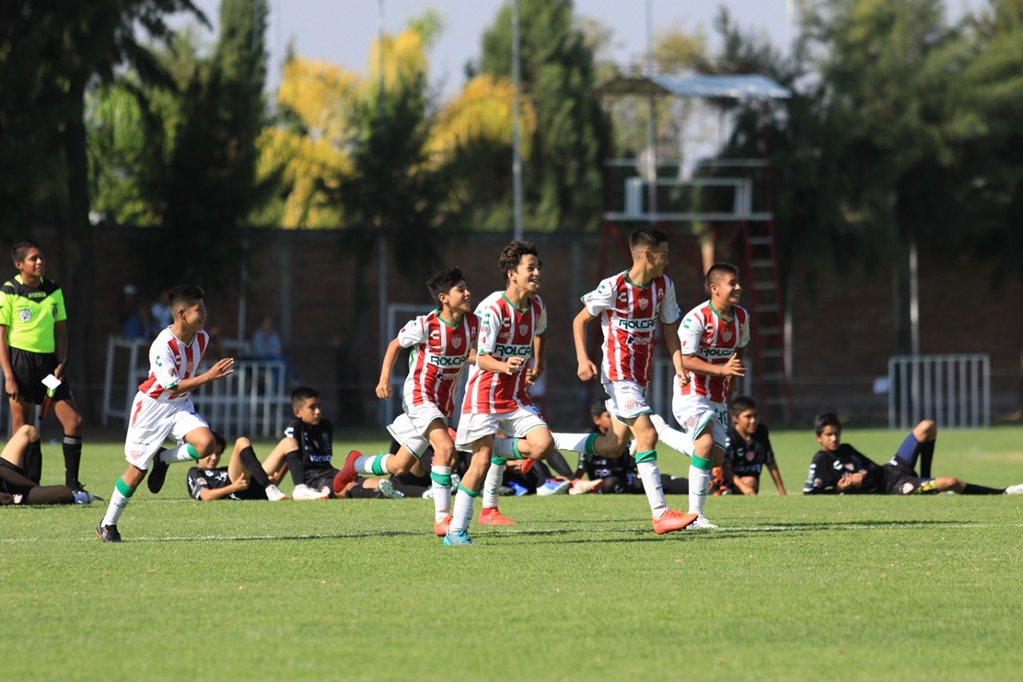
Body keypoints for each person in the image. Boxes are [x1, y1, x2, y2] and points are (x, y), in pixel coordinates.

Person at [549, 228, 695, 534]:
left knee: (613, 446)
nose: (667, 261)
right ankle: (660, 513)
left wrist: (680, 367)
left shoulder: (664, 286)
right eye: (664, 255)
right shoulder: (613, 286)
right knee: (647, 433)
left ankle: (548, 440)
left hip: (640, 377)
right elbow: (580, 320)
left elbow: (670, 331)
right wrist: (582, 359)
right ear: (647, 254)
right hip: (618, 374)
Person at [334, 267, 479, 536]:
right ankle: (442, 519)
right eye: (461, 289)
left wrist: (502, 366)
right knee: (445, 448)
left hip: (442, 403)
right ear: (444, 297)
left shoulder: (473, 324)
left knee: (399, 465)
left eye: (466, 287)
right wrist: (384, 380)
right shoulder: (426, 325)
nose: (468, 292)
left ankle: (355, 463)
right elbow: (394, 345)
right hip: (419, 397)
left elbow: (471, 355)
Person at [95, 284, 235, 542]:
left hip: (180, 405)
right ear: (181, 314)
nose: (204, 314)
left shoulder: (201, 337)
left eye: (204, 308)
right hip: (152, 409)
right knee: (136, 472)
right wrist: (208, 376)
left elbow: (182, 386)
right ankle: (107, 524)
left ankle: (164, 459)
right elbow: (171, 385)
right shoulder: (162, 345)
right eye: (199, 309)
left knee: (207, 444)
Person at [446, 240, 557, 545]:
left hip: (516, 396)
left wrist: (540, 361)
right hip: (484, 397)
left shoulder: (537, 306)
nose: (537, 273)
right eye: (530, 268)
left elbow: (541, 330)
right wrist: (503, 364)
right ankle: (456, 531)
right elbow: (477, 356)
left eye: (538, 267)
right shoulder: (493, 308)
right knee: (479, 465)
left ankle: (493, 446)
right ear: (512, 274)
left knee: (544, 445)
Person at [650, 262, 750, 530]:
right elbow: (684, 359)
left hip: (717, 393)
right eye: (732, 283)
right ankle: (696, 517)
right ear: (714, 288)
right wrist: (722, 369)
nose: (738, 287)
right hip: (690, 390)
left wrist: (732, 379)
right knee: (704, 446)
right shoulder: (696, 319)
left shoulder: (741, 317)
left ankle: (662, 432)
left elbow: (741, 346)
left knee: (715, 458)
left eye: (738, 282)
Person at [0, 240, 87, 492]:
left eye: (41, 258)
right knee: (22, 428)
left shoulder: (53, 290)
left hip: (49, 368)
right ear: (19, 264)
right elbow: (2, 338)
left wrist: (61, 362)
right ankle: (23, 486)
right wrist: (8, 375)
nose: (40, 262)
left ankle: (73, 485)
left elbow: (61, 330)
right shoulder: (9, 291)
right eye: (33, 259)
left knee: (75, 421)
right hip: (20, 365)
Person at [803, 413, 1023, 496]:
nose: (834, 439)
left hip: (892, 469)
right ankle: (1004, 492)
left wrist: (865, 474)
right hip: (893, 487)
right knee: (952, 482)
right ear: (818, 437)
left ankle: (927, 480)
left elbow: (874, 468)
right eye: (829, 435)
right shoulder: (821, 460)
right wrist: (841, 488)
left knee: (927, 426)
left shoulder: (846, 449)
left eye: (836, 434)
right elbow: (811, 493)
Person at [569, 401, 689, 496]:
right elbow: (582, 467)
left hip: (628, 480)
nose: (613, 420)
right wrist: (574, 483)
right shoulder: (590, 436)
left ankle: (703, 487)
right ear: (596, 419)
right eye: (608, 416)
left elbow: (631, 462)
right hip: (604, 483)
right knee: (611, 483)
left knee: (663, 481)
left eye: (615, 416)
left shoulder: (621, 433)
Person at [277, 385, 354, 501]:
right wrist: (275, 481)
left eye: (319, 406)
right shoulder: (295, 426)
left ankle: (385, 488)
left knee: (357, 480)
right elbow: (290, 457)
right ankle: (302, 490)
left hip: (330, 472)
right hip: (314, 479)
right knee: (348, 487)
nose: (318, 412)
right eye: (312, 408)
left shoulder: (325, 426)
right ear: (297, 412)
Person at [1, 424, 96, 505]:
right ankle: (77, 498)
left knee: (28, 431)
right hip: (7, 492)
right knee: (64, 492)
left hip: (6, 476)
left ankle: (34, 489)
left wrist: (34, 486)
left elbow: (5, 473)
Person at [186, 432, 288, 501]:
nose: (214, 458)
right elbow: (205, 496)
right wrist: (233, 488)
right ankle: (268, 485)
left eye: (218, 453)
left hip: (251, 492)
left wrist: (267, 479)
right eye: (210, 453)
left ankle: (299, 487)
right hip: (236, 492)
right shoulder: (196, 472)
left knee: (288, 443)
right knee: (242, 442)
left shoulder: (224, 470)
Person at [722, 395, 787, 496]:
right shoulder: (729, 436)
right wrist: (744, 487)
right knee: (749, 482)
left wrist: (783, 494)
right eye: (748, 417)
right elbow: (726, 468)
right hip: (729, 483)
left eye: (755, 415)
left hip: (751, 484)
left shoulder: (761, 432)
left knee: (751, 481)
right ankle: (723, 492)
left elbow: (771, 463)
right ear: (735, 419)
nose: (753, 421)